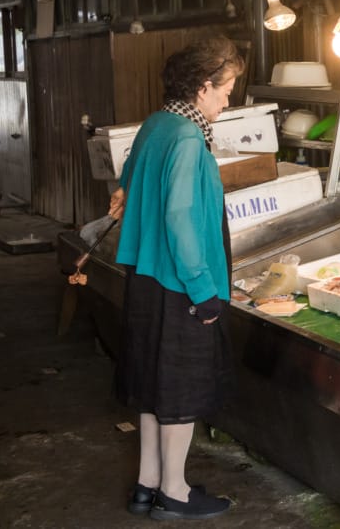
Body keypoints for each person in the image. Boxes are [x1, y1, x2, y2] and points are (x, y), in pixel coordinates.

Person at [106, 36, 244, 520]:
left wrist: (127, 193)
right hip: (178, 282)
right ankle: (175, 491)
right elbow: (181, 218)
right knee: (180, 391)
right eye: (227, 89)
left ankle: (147, 484)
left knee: (150, 383)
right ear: (204, 87)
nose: (229, 99)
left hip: (144, 277)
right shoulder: (188, 137)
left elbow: (126, 178)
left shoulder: (157, 123)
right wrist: (205, 291)